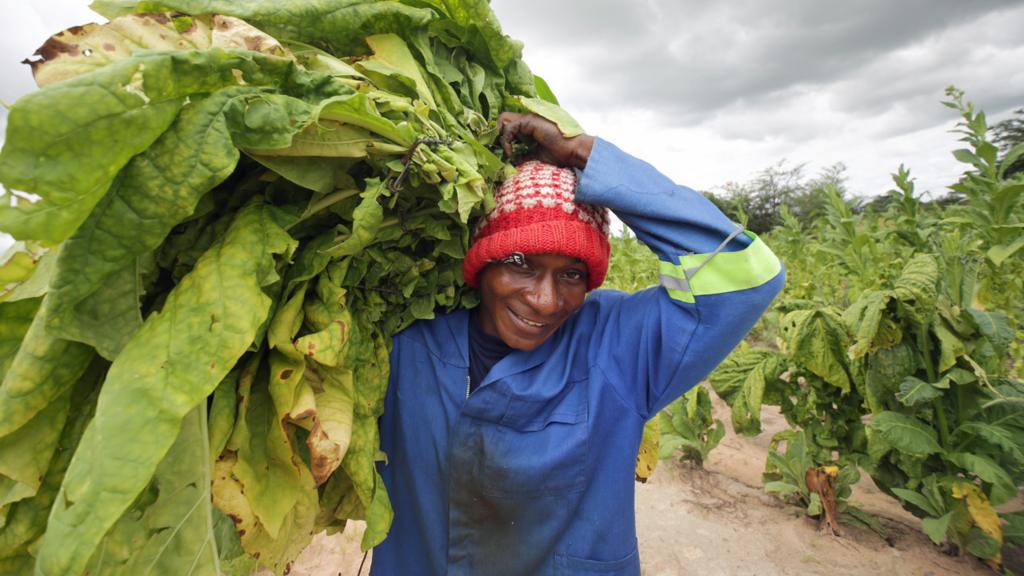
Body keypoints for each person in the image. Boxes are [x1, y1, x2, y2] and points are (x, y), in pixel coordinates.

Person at [372, 112, 785, 575]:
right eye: (520, 263)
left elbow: (746, 275)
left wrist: (585, 154)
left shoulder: (616, 347)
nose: (546, 300)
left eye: (571, 273)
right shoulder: (406, 341)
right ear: (480, 263)